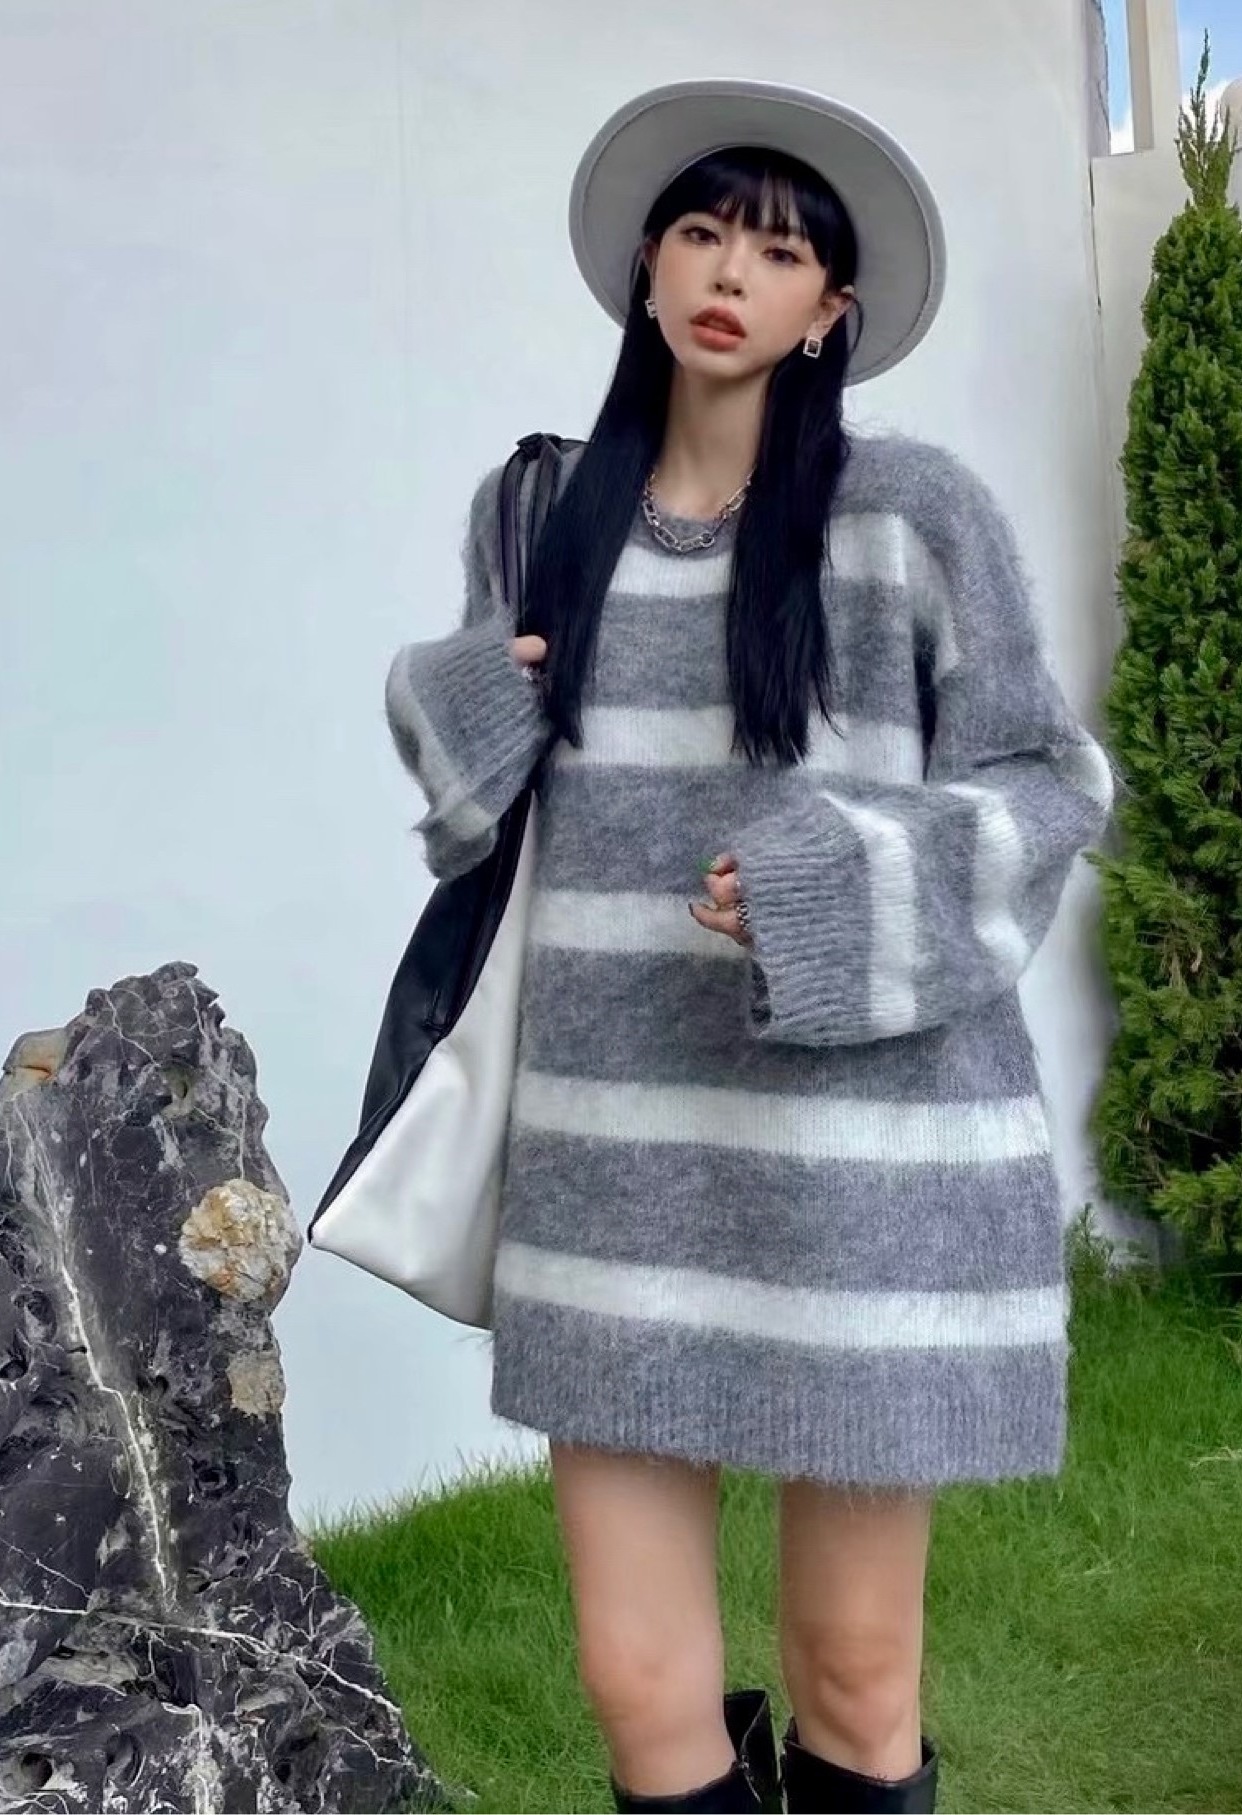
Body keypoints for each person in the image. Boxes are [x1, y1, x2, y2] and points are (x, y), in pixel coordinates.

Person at [383, 77, 1115, 1815]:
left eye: (780, 254)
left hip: (863, 1174)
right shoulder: (537, 513)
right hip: (614, 1163)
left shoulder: (912, 516)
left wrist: (834, 891)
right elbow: (479, 805)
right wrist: (464, 701)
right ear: (646, 264)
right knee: (639, 1688)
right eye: (704, 233)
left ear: (829, 312)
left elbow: (1046, 782)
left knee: (857, 1676)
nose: (732, 274)